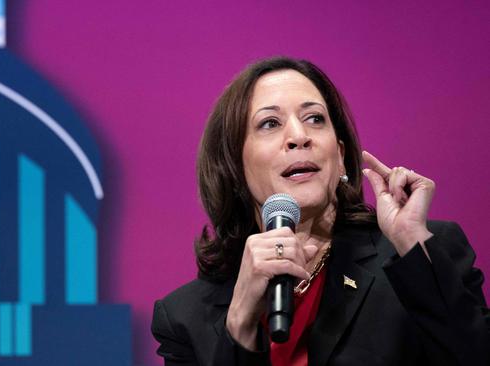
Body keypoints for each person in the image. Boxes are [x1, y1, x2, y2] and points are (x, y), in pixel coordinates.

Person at [151, 56, 489, 366]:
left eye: (315, 119)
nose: (299, 136)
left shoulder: (417, 257)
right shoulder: (185, 317)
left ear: (340, 154)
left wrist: (412, 243)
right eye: (270, 123)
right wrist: (240, 323)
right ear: (233, 165)